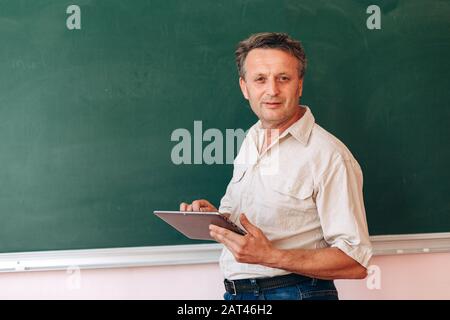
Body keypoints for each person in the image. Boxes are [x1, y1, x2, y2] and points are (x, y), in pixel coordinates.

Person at [180, 32, 372, 300]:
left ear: (300, 85)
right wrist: (214, 218)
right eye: (260, 79)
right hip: (238, 295)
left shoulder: (330, 156)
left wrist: (272, 256)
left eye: (283, 78)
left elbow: (356, 262)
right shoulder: (251, 140)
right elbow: (248, 226)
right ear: (245, 87)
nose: (272, 90)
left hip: (296, 293)